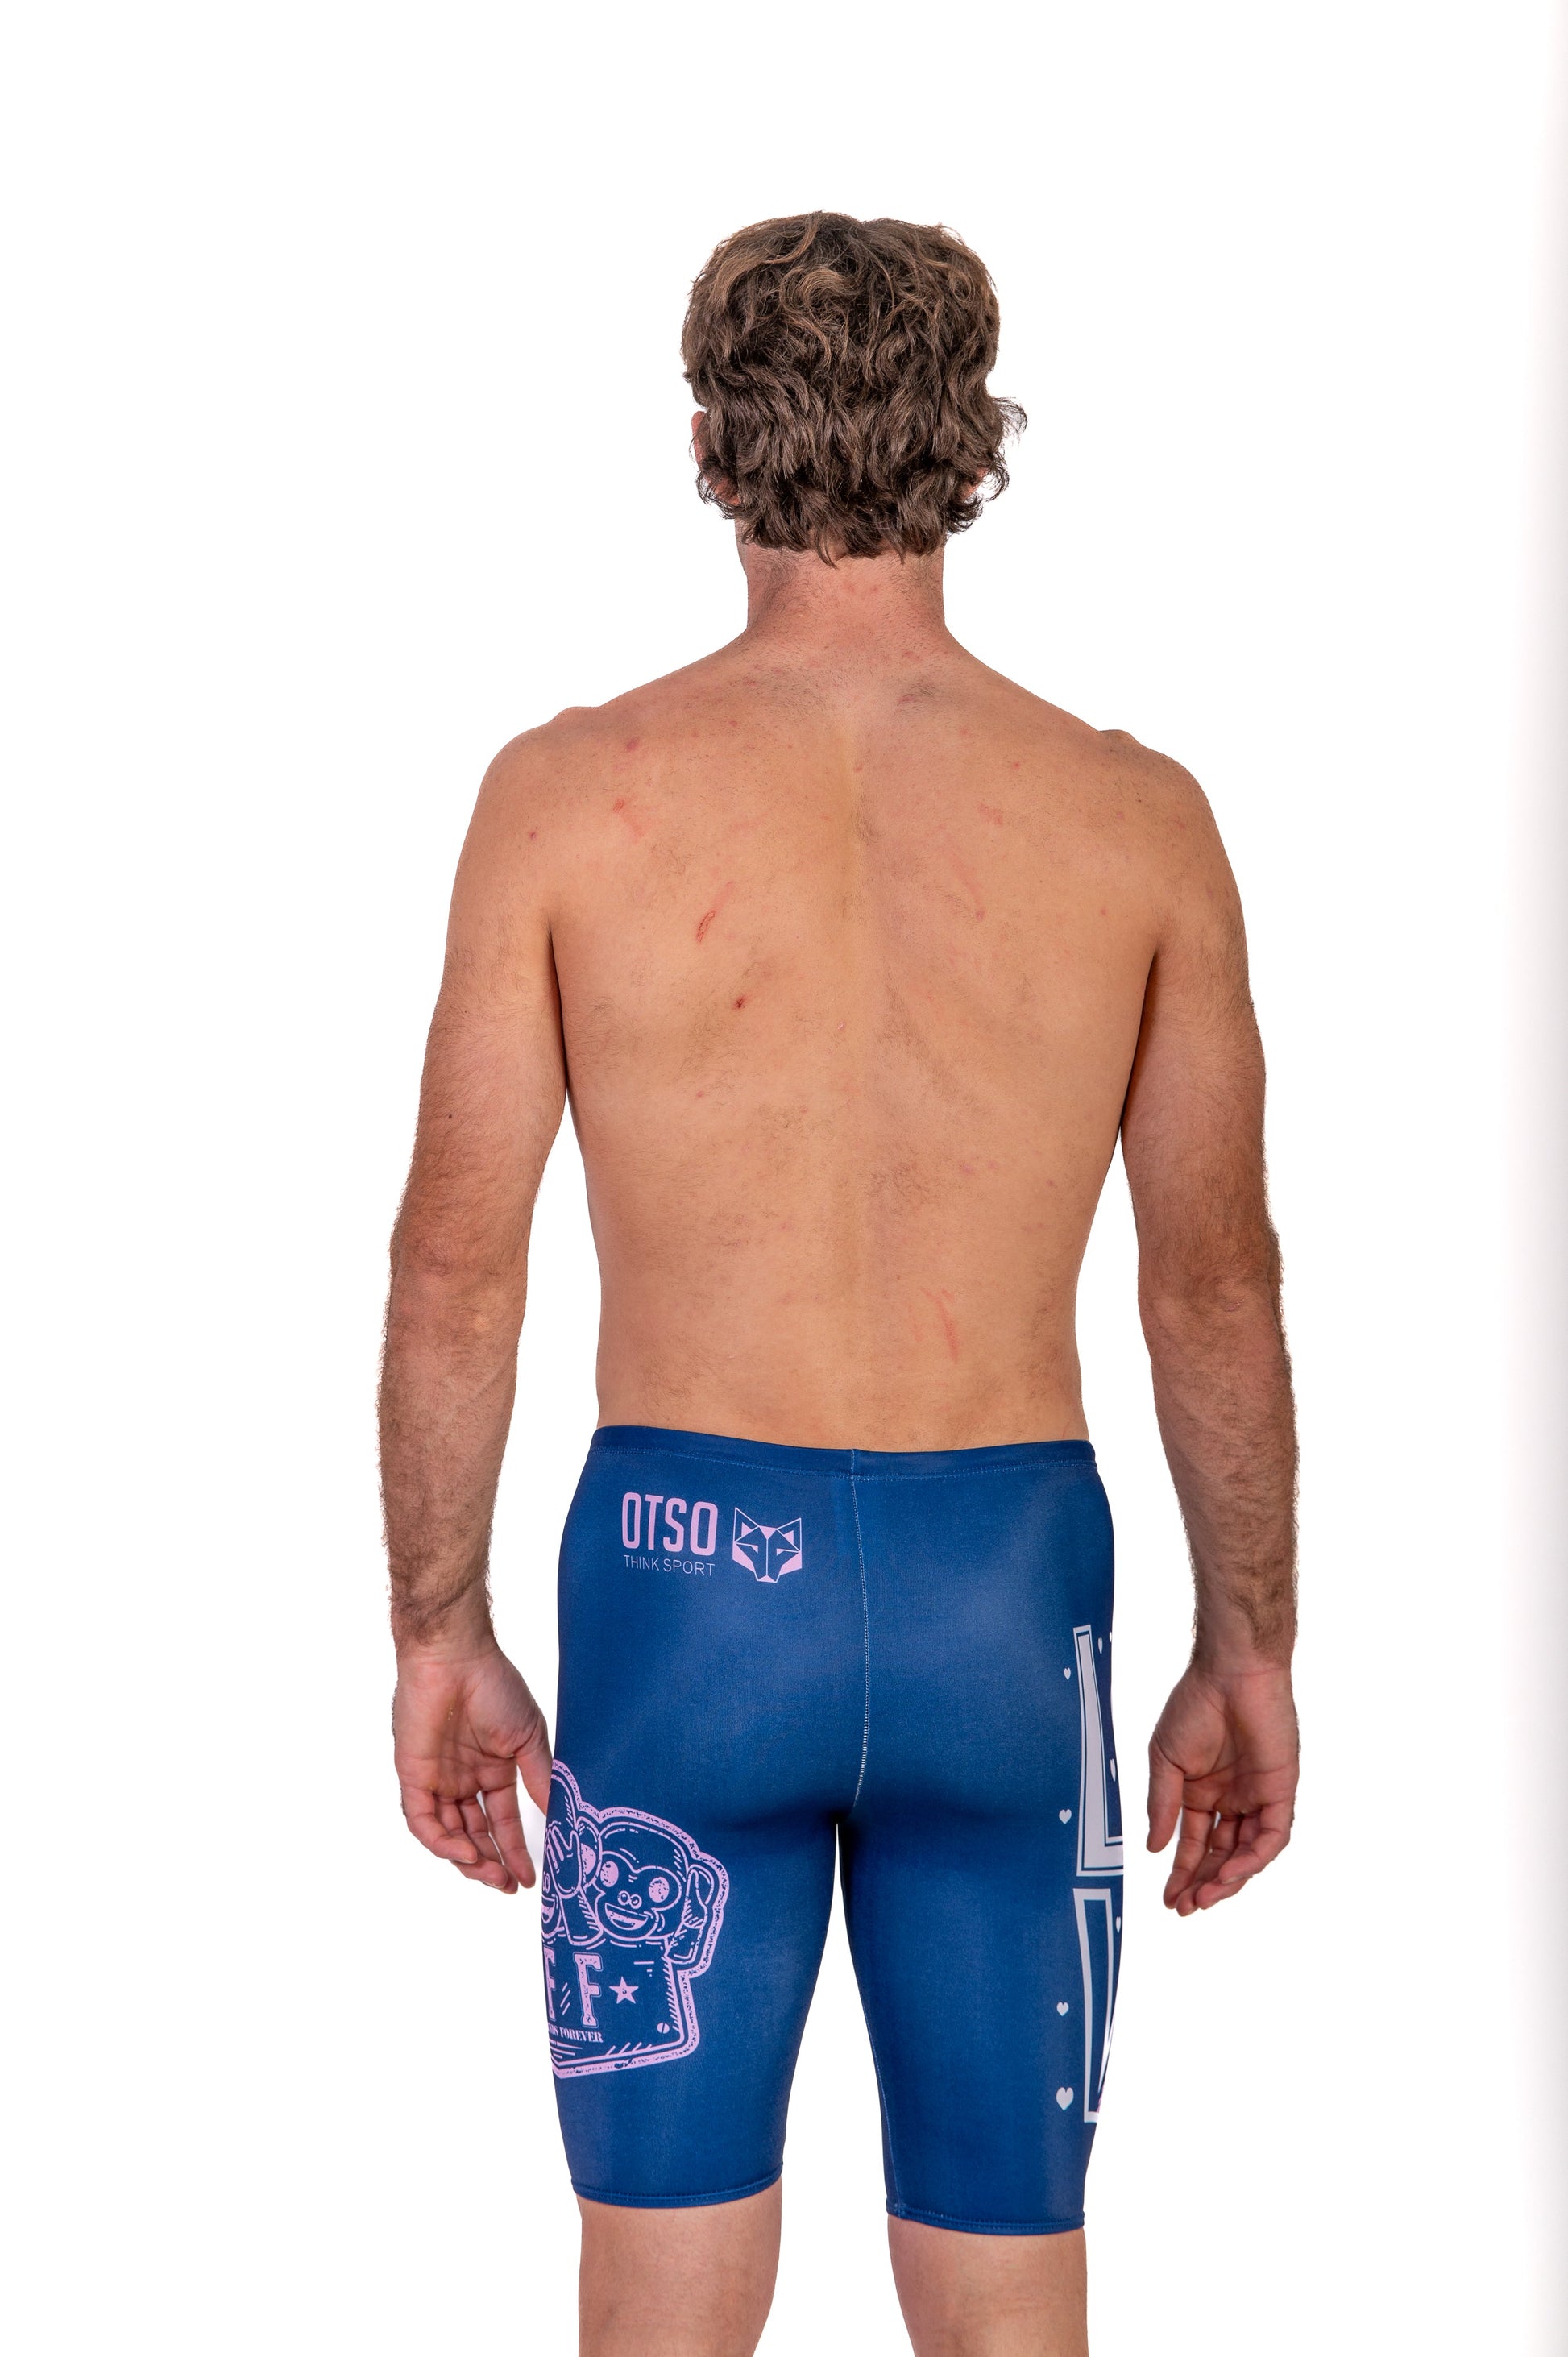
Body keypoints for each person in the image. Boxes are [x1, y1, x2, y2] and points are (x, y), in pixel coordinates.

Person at [380, 211, 1299, 2357]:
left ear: (713, 447)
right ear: (974, 446)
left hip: (683, 1604)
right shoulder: (1135, 820)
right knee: (1009, 2294)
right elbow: (1212, 1288)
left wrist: (437, 1627)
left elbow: (455, 1264)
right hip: (1012, 1605)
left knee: (661, 2311)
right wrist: (1247, 1641)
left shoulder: (563, 802)